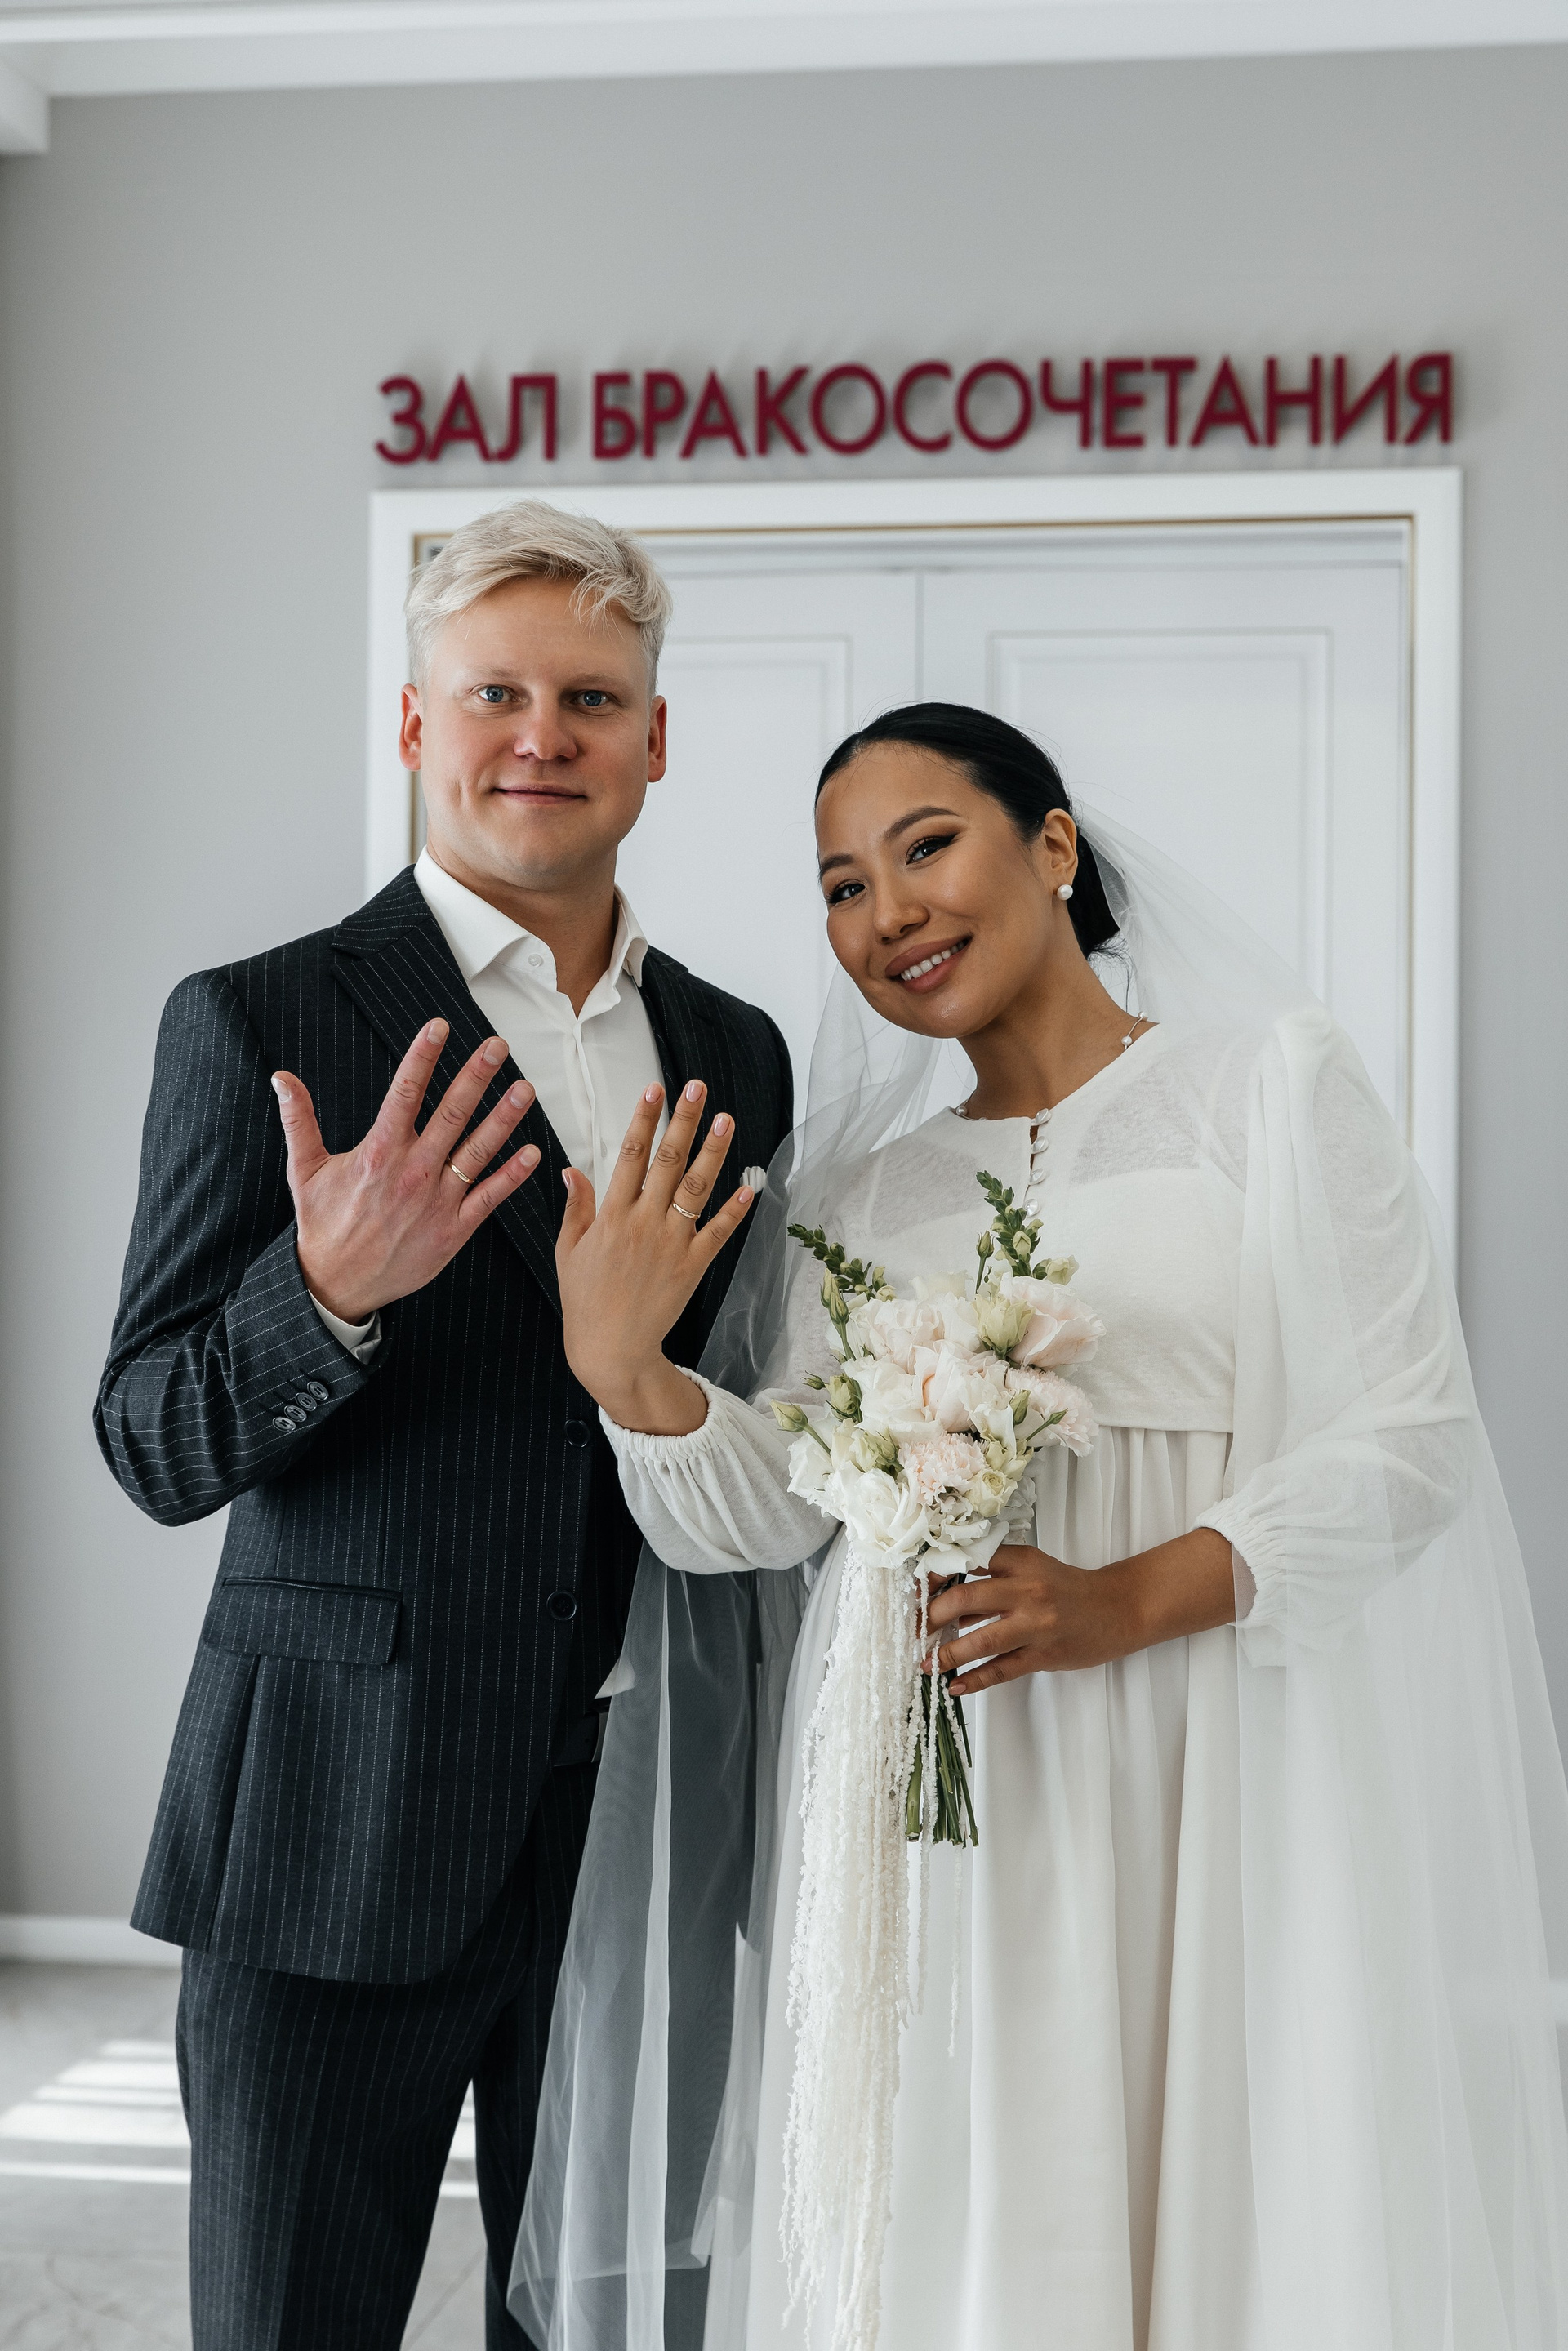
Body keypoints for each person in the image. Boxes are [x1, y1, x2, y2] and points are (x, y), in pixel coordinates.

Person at [514, 704, 1568, 2351]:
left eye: (926, 847)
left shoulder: (1267, 1089)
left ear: (1053, 846)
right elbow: (771, 1513)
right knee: (982, 2208)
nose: (890, 915)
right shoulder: (858, 1196)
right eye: (843, 888)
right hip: (949, 1793)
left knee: (1224, 2181)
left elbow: (1412, 1440)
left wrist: (1127, 1599)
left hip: (1214, 1748)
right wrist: (627, 1374)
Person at [94, 501, 791, 2351]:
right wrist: (321, 1292)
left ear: (656, 738)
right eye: (495, 693)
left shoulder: (737, 1052)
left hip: (640, 1838)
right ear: (418, 724)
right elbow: (150, 1439)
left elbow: (736, 1415)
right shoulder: (257, 1018)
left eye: (592, 698)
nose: (541, 735)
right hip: (330, 1831)